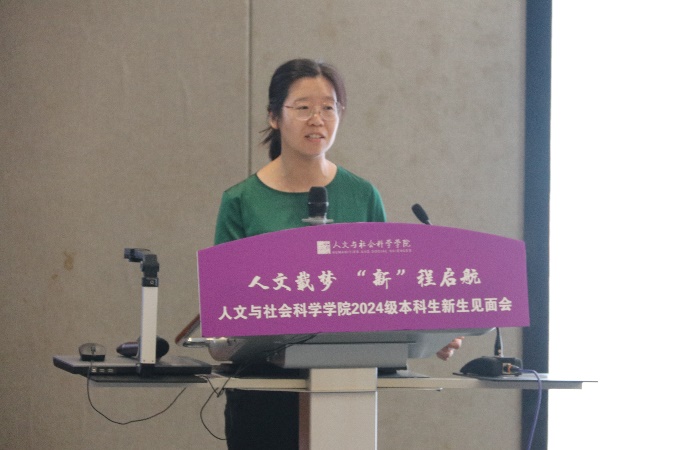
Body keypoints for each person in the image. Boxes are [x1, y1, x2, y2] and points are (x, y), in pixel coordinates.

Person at [214, 58, 461, 450]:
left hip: (346, 387)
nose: (317, 119)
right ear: (274, 117)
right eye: (303, 107)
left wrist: (432, 331)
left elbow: (385, 292)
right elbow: (225, 304)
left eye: (328, 108)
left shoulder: (362, 195)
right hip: (263, 388)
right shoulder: (242, 201)